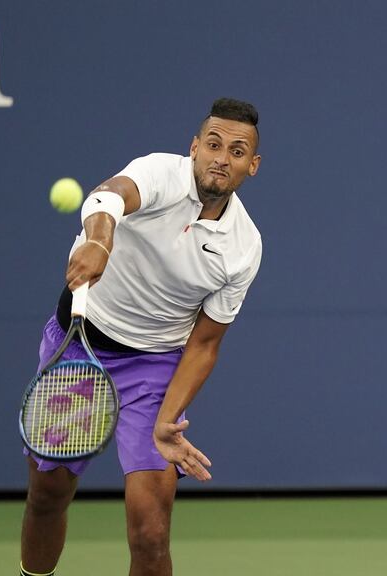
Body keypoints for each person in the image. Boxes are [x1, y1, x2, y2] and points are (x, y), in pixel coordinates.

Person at [20, 98, 263, 576]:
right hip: (80, 348)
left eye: (236, 151)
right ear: (194, 148)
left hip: (154, 367)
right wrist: (98, 239)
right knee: (48, 496)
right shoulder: (159, 173)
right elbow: (107, 196)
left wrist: (168, 418)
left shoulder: (243, 247)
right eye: (212, 144)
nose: (221, 157)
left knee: (151, 531)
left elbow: (205, 343)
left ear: (251, 166)